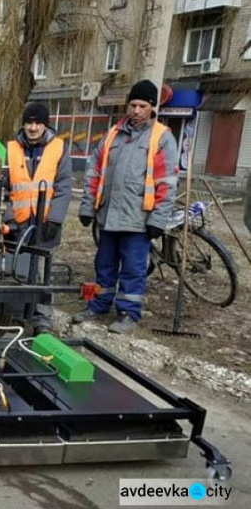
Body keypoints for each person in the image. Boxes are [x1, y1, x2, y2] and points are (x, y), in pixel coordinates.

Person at [74, 79, 179, 333]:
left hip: (138, 219)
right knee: (104, 264)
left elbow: (167, 182)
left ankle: (128, 314)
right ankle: (98, 305)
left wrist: (157, 220)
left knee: (133, 268)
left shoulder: (162, 138)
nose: (136, 110)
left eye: (142, 105)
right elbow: (94, 172)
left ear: (152, 107)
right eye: (132, 104)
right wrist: (88, 206)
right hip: (108, 215)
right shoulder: (112, 134)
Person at [5, 102, 73, 335]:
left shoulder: (58, 149)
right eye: (29, 122)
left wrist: (54, 220)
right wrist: (9, 218)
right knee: (16, 269)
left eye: (38, 123)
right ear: (23, 124)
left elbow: (64, 187)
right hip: (19, 222)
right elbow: (4, 190)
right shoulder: (11, 149)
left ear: (45, 125)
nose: (33, 128)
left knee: (43, 271)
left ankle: (41, 318)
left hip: (45, 223)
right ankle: (15, 316)